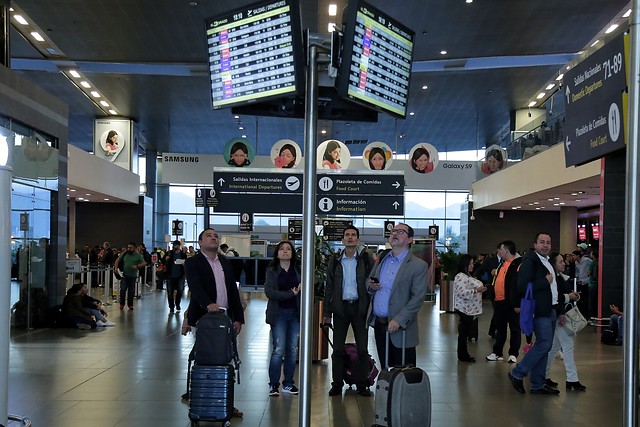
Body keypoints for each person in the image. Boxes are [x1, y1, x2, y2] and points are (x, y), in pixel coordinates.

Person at [184, 228, 245, 415]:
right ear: (200, 242)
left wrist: (238, 319)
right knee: (205, 360)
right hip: (204, 320)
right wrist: (208, 303)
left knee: (226, 360)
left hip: (225, 321)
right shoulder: (193, 262)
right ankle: (203, 403)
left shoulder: (225, 263)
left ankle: (225, 404)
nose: (213, 238)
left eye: (215, 236)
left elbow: (232, 292)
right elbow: (195, 286)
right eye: (208, 236)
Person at [323, 225, 375, 397]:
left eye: (353, 235)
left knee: (362, 349)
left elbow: (372, 283)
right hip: (340, 309)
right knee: (337, 350)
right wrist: (326, 314)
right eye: (347, 235)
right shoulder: (336, 260)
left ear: (358, 240)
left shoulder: (365, 259)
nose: (350, 237)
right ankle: (336, 384)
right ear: (343, 240)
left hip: (360, 308)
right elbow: (329, 287)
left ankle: (361, 384)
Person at [367, 223, 428, 369]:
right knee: (385, 371)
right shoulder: (383, 259)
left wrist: (399, 320)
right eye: (393, 231)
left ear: (410, 240)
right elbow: (368, 281)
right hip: (380, 325)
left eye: (400, 231)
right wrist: (370, 286)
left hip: (401, 329)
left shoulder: (418, 265)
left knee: (403, 373)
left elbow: (417, 298)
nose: (394, 233)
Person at [508, 232, 559, 395]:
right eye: (542, 242)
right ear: (535, 244)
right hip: (540, 309)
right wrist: (545, 281)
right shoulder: (530, 261)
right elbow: (522, 286)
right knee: (544, 343)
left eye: (548, 242)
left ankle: (537, 383)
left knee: (544, 346)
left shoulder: (546, 261)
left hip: (550, 308)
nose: (545, 245)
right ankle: (518, 372)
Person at [265, 240, 301, 397]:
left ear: (292, 253)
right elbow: (270, 292)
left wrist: (297, 293)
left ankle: (288, 383)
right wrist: (290, 294)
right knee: (278, 350)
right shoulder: (272, 270)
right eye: (282, 249)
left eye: (288, 249)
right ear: (277, 253)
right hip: (278, 314)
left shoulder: (298, 269)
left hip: (295, 313)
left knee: (292, 350)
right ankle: (274, 384)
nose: (285, 251)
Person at [544, 252, 585, 391]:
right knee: (567, 346)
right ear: (554, 264)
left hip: (560, 315)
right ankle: (572, 379)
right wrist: (568, 298)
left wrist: (573, 296)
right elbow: (556, 298)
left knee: (554, 348)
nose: (564, 263)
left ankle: (544, 375)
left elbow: (564, 296)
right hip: (560, 316)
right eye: (561, 262)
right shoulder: (554, 279)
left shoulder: (560, 278)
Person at [486, 240, 522, 363]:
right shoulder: (502, 263)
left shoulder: (518, 264)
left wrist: (518, 303)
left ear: (506, 250)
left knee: (514, 329)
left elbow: (520, 285)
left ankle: (513, 353)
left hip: (511, 303)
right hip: (499, 301)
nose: (498, 251)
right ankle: (497, 352)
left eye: (500, 249)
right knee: (500, 328)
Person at [453, 254, 487, 362]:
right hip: (465, 309)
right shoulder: (460, 277)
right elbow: (462, 292)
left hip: (469, 309)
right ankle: (463, 355)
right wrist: (477, 290)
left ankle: (463, 354)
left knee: (465, 332)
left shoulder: (467, 276)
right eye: (471, 264)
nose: (473, 266)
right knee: (463, 333)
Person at [114, 242, 146, 310]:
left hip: (133, 276)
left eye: (130, 248)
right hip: (124, 275)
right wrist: (116, 268)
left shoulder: (138, 255)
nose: (129, 249)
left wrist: (137, 266)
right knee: (123, 290)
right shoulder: (125, 254)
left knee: (131, 291)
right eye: (128, 247)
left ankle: (130, 305)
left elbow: (143, 263)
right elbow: (117, 260)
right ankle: (122, 303)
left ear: (134, 248)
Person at [165, 240, 187, 313]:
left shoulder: (183, 254)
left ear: (179, 246)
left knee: (180, 291)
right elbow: (162, 260)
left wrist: (184, 264)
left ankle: (177, 303)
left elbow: (186, 262)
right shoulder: (169, 253)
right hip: (170, 275)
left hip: (180, 275)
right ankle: (171, 307)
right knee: (170, 292)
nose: (175, 246)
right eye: (174, 245)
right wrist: (166, 259)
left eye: (177, 245)